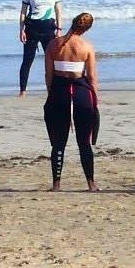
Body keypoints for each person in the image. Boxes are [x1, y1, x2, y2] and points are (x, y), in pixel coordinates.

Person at [44, 12, 102, 191]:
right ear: (87, 29)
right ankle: (91, 184)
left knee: (58, 142)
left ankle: (56, 184)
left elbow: (49, 74)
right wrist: (95, 99)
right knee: (83, 141)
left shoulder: (54, 44)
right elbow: (91, 76)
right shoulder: (86, 46)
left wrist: (52, 94)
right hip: (82, 94)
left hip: (59, 92)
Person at [17, 0, 63, 96]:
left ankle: (53, 88)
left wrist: (59, 29)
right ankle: (23, 91)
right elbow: (23, 12)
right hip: (32, 27)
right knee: (27, 59)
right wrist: (21, 30)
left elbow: (58, 10)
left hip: (49, 27)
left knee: (51, 60)